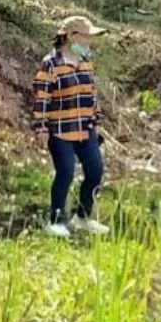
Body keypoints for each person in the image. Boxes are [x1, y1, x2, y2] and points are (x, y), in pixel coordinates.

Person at [31, 14, 109, 238]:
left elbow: (91, 95)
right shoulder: (51, 64)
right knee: (65, 172)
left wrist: (97, 121)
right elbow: (42, 98)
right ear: (71, 36)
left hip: (85, 127)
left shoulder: (85, 62)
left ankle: (82, 217)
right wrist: (41, 128)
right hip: (60, 129)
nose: (89, 41)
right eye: (86, 36)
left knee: (95, 171)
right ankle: (56, 221)